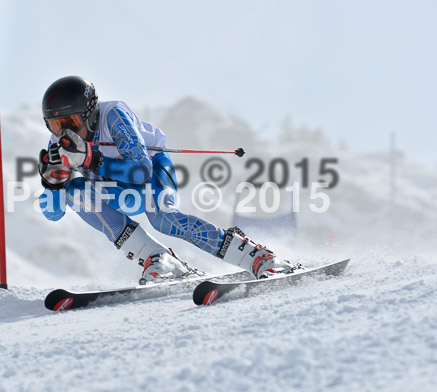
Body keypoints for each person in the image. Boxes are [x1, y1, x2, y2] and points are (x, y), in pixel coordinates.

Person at [37, 76, 293, 284]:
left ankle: (259, 257)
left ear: (90, 112)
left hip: (151, 174)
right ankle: (160, 259)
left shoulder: (113, 115)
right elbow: (53, 213)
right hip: (117, 189)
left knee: (163, 219)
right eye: (56, 126)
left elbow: (141, 171)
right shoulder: (60, 145)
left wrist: (92, 160)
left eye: (70, 122)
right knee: (74, 190)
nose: (64, 133)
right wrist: (53, 185)